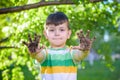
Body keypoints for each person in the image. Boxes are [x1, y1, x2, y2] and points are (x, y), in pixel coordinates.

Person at [23, 12, 95, 80]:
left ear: (68, 33)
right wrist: (34, 52)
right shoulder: (45, 53)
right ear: (45, 34)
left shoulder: (71, 52)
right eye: (52, 30)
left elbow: (80, 55)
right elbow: (38, 56)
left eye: (61, 30)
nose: (57, 33)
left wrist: (85, 50)